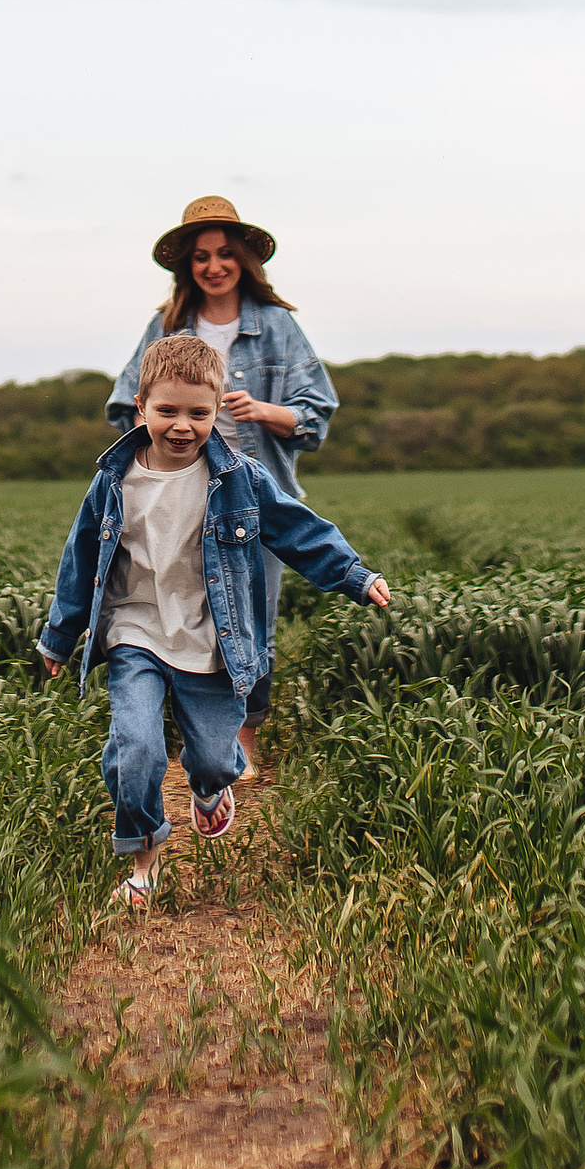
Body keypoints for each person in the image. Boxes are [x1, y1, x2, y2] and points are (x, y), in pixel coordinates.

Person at [40, 328, 391, 908]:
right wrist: (59, 635)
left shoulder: (239, 480)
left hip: (210, 638)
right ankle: (143, 858)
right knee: (136, 748)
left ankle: (209, 784)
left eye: (198, 413)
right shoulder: (112, 482)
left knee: (208, 755)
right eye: (167, 411)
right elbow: (80, 560)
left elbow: (298, 532)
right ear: (140, 408)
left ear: (217, 413)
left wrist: (354, 575)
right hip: (136, 633)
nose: (182, 425)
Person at [110, 195, 338, 762]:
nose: (214, 267)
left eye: (225, 254)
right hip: (174, 494)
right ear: (187, 266)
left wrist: (264, 410)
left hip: (252, 496)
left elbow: (316, 413)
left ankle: (244, 739)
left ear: (244, 260)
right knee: (175, 610)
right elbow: (123, 405)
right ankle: (182, 731)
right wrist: (163, 430)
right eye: (201, 257)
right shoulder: (165, 327)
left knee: (250, 619)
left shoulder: (279, 327)